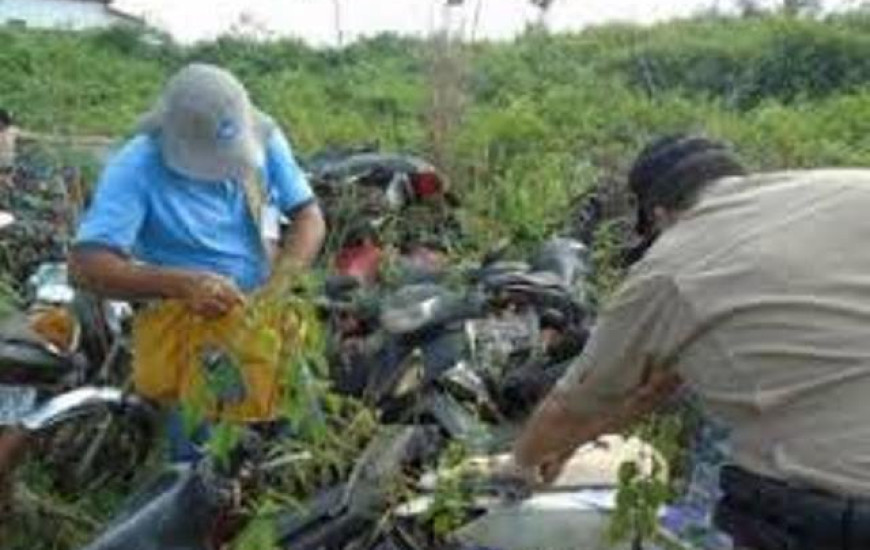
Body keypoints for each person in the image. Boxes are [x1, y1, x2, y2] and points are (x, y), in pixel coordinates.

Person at [506, 134, 870, 550]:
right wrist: (573, 444)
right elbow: (657, 389)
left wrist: (521, 465)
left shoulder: (671, 265)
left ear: (659, 214)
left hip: (831, 517)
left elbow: (572, 405)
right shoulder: (851, 187)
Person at [69, 63, 326, 461]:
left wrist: (280, 286)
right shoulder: (136, 167)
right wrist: (180, 284)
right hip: (194, 332)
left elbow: (309, 217)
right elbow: (86, 266)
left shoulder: (263, 139)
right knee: (208, 455)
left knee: (298, 437)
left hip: (266, 317)